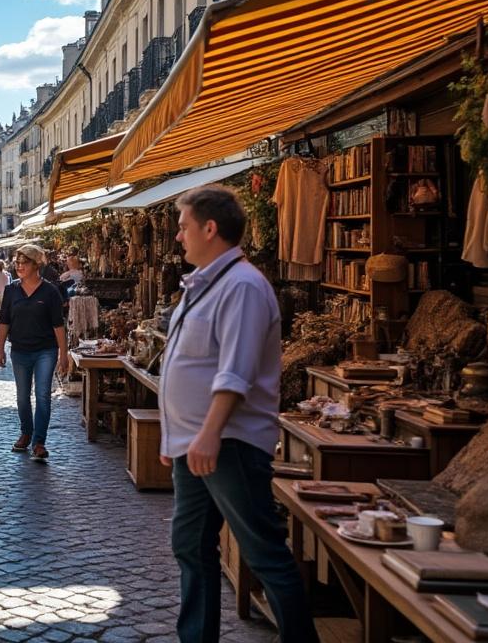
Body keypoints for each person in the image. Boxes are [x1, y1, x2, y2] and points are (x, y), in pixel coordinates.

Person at [161, 185, 318, 643]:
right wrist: (177, 438)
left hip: (226, 443)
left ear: (210, 229)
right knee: (190, 546)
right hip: (196, 444)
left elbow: (236, 371)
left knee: (263, 552)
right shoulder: (208, 283)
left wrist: (208, 434)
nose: (178, 237)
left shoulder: (243, 286)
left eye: (184, 226)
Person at [0, 244, 69, 461]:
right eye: (17, 263)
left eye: (23, 262)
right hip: (19, 350)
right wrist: (0, 349)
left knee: (43, 395)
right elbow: (4, 321)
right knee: (22, 397)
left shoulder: (50, 292)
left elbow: (58, 325)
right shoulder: (11, 290)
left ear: (36, 265)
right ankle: (26, 432)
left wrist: (63, 354)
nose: (19, 266)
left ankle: (39, 441)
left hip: (46, 350)